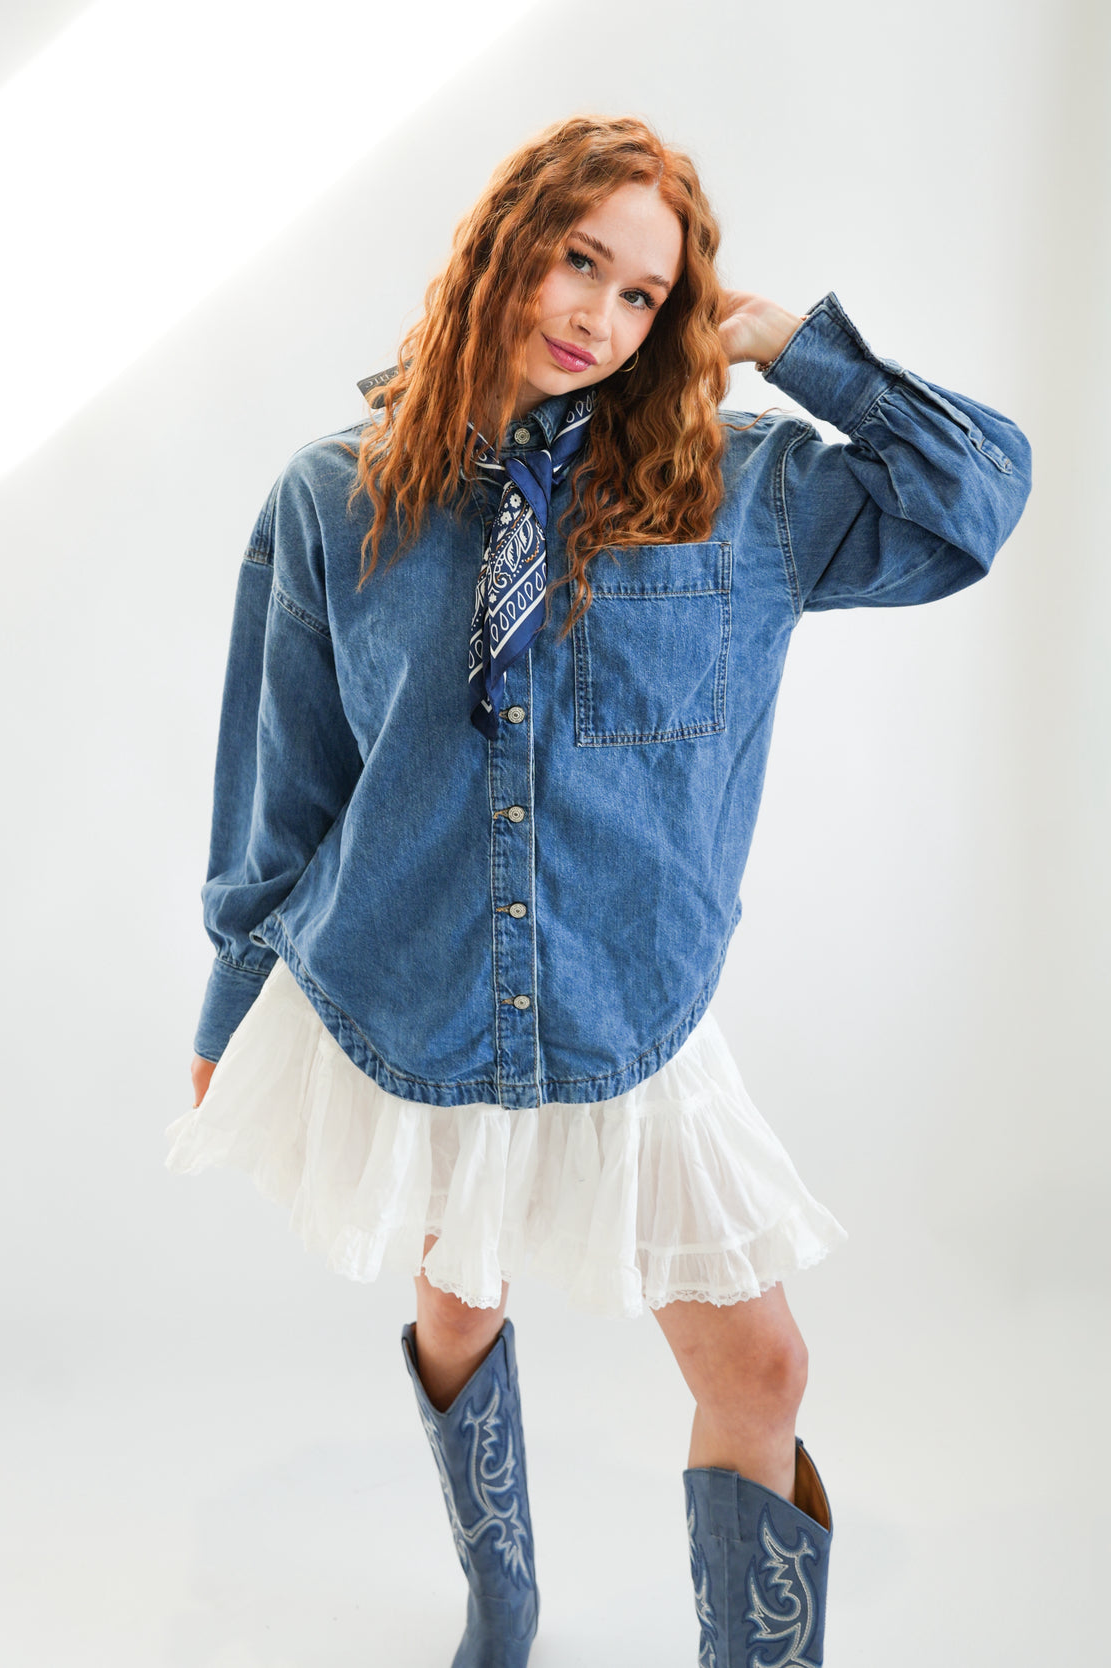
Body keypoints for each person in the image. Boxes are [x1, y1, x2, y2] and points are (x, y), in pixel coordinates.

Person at [164, 112, 1032, 1667]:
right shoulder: (332, 499)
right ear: (507, 242)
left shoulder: (739, 494)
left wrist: (790, 345)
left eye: (645, 295)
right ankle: (503, 1608)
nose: (603, 318)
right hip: (417, 988)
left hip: (631, 1009)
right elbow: (285, 781)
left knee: (760, 1367)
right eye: (581, 262)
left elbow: (974, 499)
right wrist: (231, 1001)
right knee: (460, 1300)